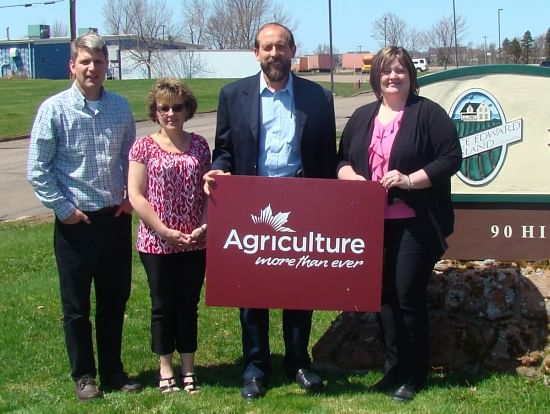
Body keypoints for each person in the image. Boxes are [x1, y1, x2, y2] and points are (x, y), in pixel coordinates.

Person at [203, 22, 337, 400]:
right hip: (251, 206)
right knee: (252, 290)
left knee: (300, 288)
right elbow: (225, 149)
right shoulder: (234, 95)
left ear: (293, 51)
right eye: (267, 47)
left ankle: (298, 361)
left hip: (301, 204)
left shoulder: (317, 98)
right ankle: (255, 366)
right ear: (256, 53)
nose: (274, 54)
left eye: (281, 46)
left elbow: (325, 157)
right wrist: (219, 169)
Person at [337, 46, 462, 402]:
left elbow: (451, 158)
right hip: (371, 224)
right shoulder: (362, 116)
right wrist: (353, 180)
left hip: (414, 224)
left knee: (406, 294)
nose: (393, 76)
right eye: (386, 71)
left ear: (411, 76)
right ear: (376, 76)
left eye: (400, 70)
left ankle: (414, 373)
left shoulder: (428, 114)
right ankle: (393, 370)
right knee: (383, 297)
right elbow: (342, 160)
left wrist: (409, 180)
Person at [27, 32, 141, 400]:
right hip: (76, 223)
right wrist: (65, 210)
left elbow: (130, 158)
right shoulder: (54, 110)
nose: (93, 68)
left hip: (114, 219)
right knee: (76, 307)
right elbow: (38, 170)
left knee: (114, 299)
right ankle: (84, 376)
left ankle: (112, 370)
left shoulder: (120, 107)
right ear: (72, 66)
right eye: (85, 62)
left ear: (107, 66)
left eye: (99, 62)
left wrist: (129, 198)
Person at [127, 79, 210, 394]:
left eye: (177, 107)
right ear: (155, 111)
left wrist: (203, 226)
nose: (171, 113)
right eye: (164, 108)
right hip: (156, 241)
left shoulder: (200, 145)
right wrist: (163, 230)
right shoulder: (143, 147)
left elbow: (208, 194)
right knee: (162, 305)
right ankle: (165, 370)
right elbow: (136, 195)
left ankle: (188, 369)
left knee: (188, 304)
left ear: (187, 109)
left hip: (194, 240)